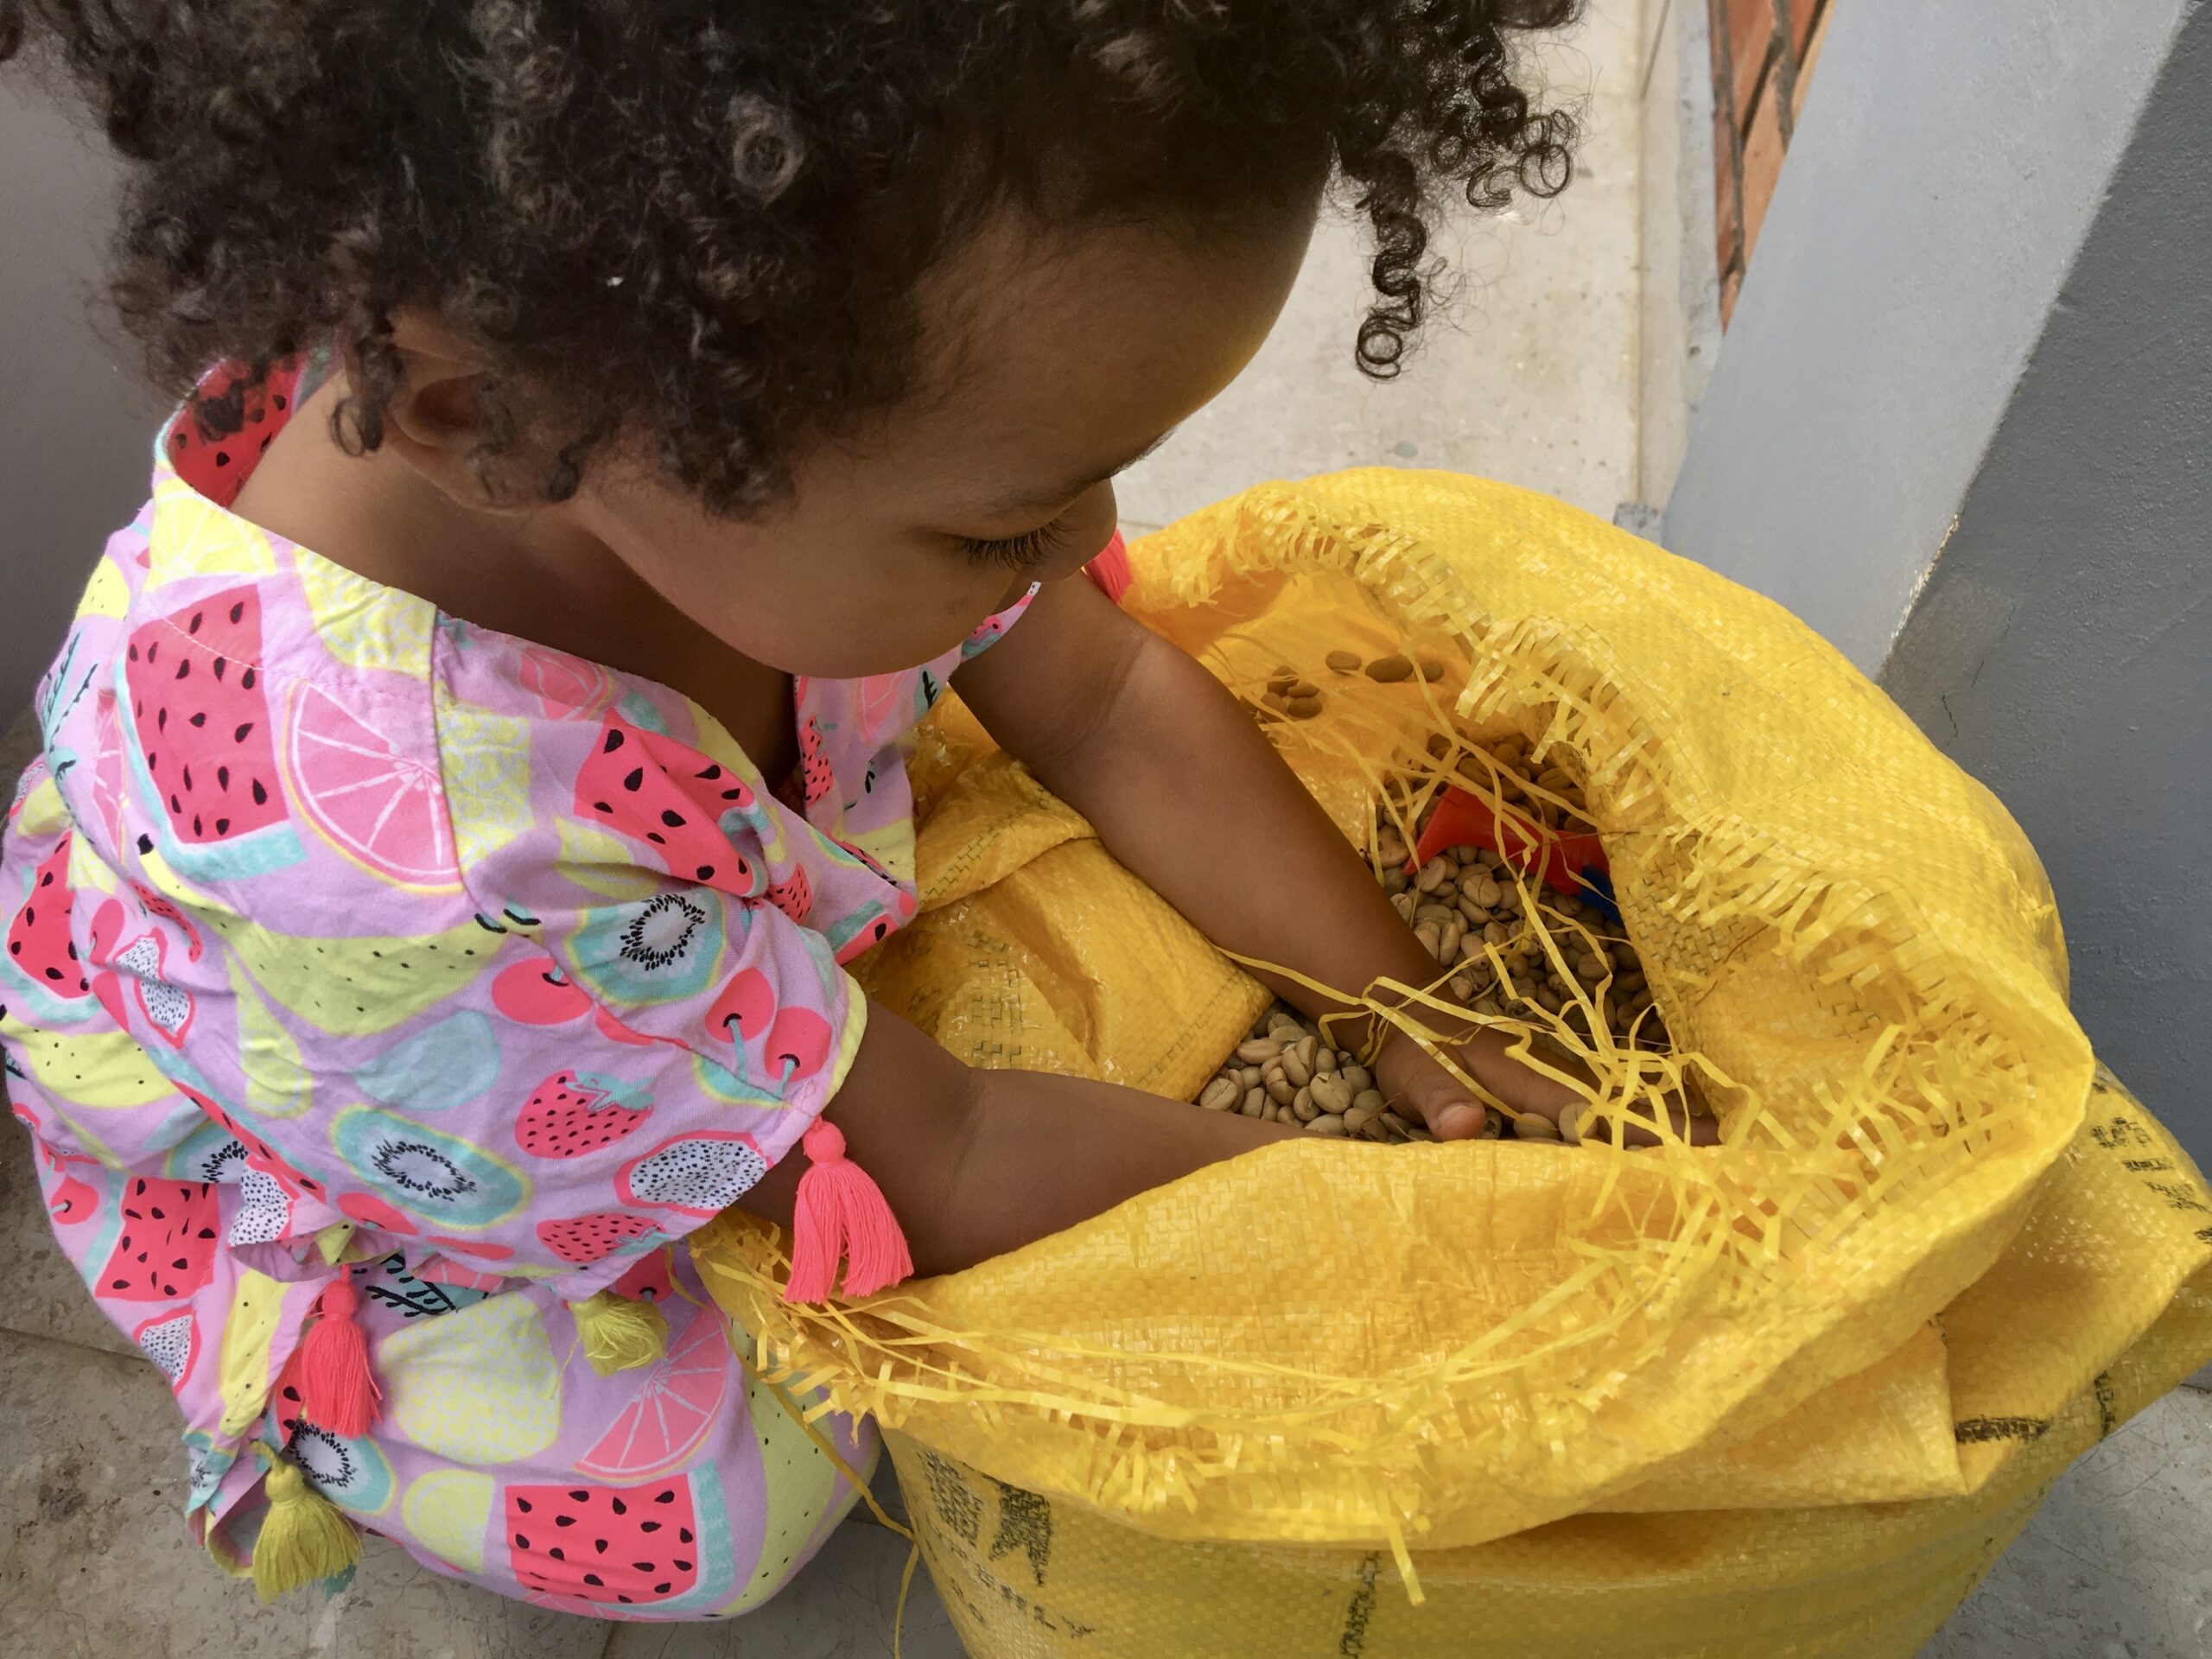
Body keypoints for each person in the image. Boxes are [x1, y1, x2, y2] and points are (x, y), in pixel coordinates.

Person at [0, 0, 1642, 1621]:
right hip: (359, 1070)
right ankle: (342, 1404)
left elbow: (1106, 697)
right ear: (480, 422)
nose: (1087, 547)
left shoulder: (705, 369)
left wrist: (1414, 1014)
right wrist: (1413, 1228)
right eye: (1002, 526)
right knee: (735, 1488)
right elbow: (957, 1148)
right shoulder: (425, 867)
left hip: (560, 904)